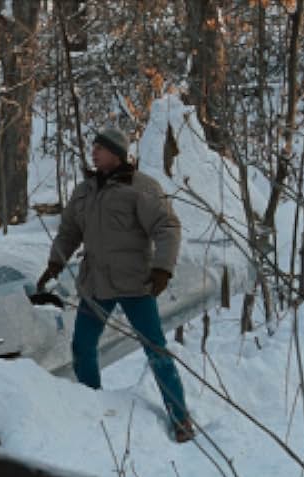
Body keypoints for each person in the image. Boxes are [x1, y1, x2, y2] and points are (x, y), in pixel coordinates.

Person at [36, 126, 195, 443]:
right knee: (82, 348)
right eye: (93, 147)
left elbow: (167, 226)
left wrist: (163, 268)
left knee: (156, 351)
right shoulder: (84, 191)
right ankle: (92, 407)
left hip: (136, 284)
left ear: (118, 154)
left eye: (100, 148)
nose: (93, 153)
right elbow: (69, 231)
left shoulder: (142, 187)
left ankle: (180, 418)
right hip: (96, 284)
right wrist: (55, 263)